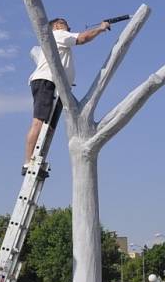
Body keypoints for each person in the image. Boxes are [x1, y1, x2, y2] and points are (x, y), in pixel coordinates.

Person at [23, 17, 110, 174]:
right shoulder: (57, 34)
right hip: (47, 81)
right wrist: (101, 28)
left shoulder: (57, 40)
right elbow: (82, 38)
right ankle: (28, 162)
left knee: (47, 126)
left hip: (55, 85)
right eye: (65, 24)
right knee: (38, 122)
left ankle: (37, 160)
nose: (69, 27)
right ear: (56, 26)